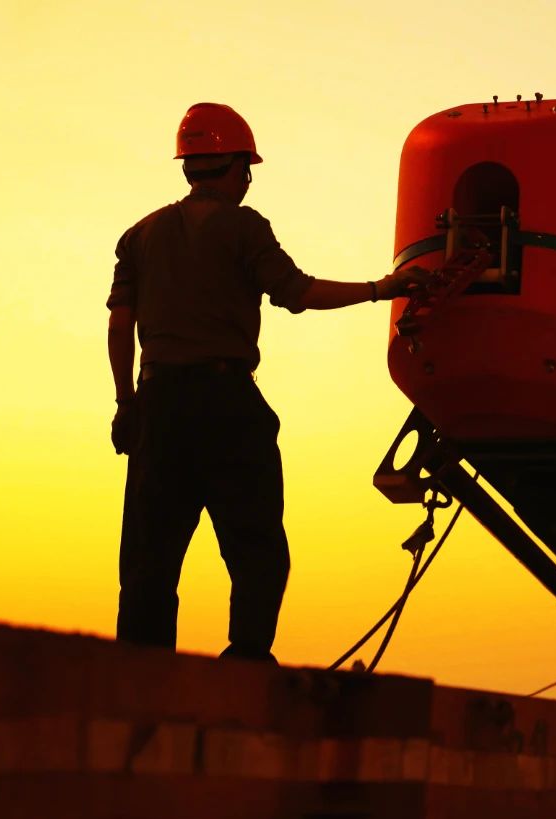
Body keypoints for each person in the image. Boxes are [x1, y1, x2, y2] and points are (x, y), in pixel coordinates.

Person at [107, 102, 435, 662]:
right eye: (247, 169)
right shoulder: (244, 227)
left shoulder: (139, 236)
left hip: (157, 405)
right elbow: (299, 293)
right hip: (226, 402)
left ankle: (141, 673)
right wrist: (382, 289)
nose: (248, 180)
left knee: (148, 556)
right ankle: (247, 659)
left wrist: (126, 402)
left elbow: (120, 326)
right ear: (235, 166)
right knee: (255, 543)